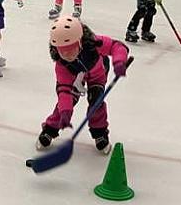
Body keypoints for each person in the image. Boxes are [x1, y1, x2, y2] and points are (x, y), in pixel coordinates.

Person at [36, 15, 130, 155]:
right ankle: (50, 129)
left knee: (96, 102)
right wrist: (65, 112)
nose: (67, 55)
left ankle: (100, 133)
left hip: (97, 73)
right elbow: (64, 91)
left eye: (71, 48)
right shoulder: (62, 64)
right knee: (65, 105)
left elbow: (117, 46)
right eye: (62, 50)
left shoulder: (93, 43)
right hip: (74, 77)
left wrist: (119, 62)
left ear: (80, 42)